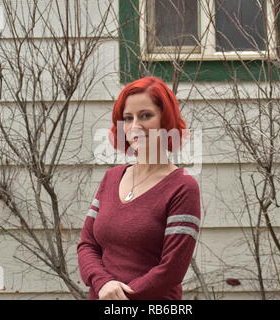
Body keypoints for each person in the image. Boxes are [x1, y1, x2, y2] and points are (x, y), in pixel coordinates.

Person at [76, 76, 201, 300]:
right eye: (127, 118)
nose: (135, 127)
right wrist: (103, 284)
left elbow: (171, 270)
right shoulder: (111, 178)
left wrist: (119, 297)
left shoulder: (182, 187)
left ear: (166, 120)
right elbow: (87, 244)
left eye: (146, 115)